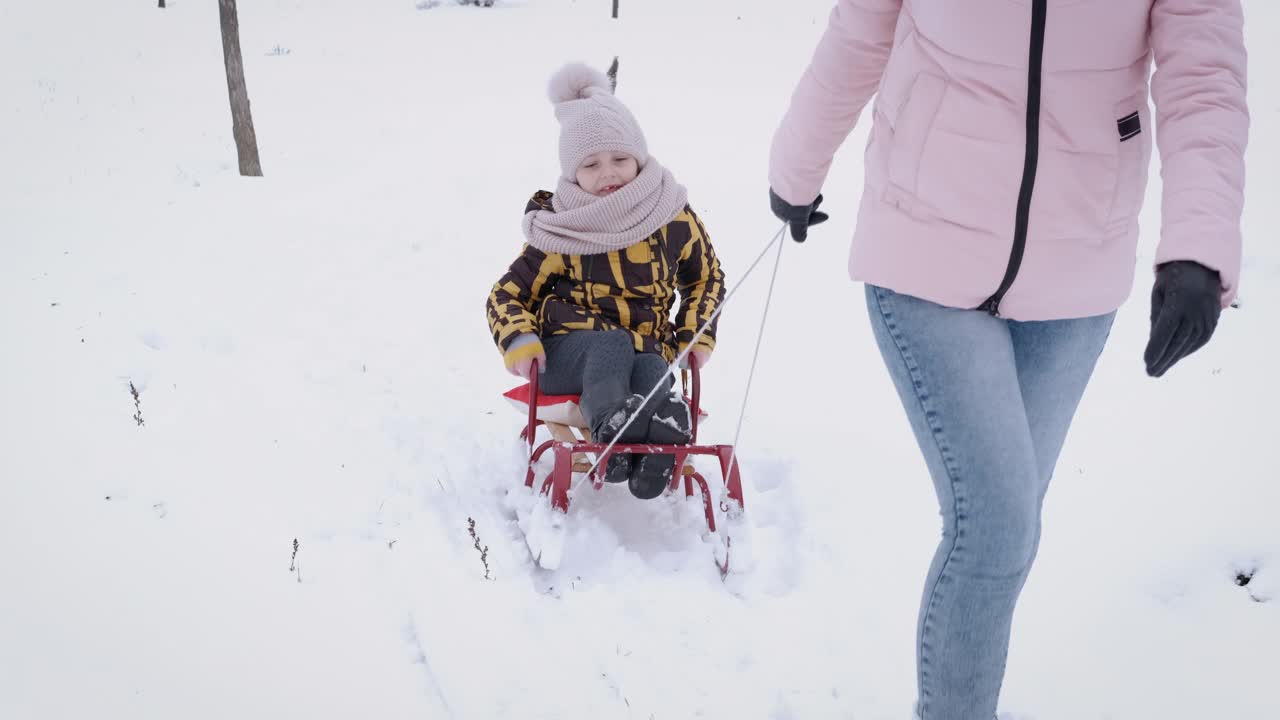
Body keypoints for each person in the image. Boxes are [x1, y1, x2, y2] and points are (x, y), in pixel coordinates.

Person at [767, 2, 1248, 718]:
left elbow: (1203, 78)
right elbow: (862, 27)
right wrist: (796, 168)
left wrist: (1198, 248)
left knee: (1009, 525)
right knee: (994, 526)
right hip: (922, 242)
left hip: (1078, 268)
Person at [487, 62, 726, 500]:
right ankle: (612, 427)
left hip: (643, 355)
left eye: (619, 159)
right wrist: (521, 341)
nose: (608, 173)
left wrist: (695, 336)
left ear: (639, 157)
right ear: (571, 173)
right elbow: (508, 294)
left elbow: (705, 276)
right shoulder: (565, 227)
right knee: (612, 341)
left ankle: (658, 439)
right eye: (591, 165)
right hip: (568, 355)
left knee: (654, 364)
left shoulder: (670, 216)